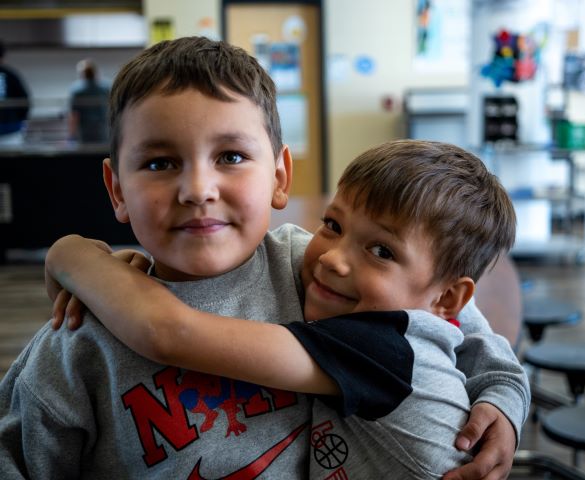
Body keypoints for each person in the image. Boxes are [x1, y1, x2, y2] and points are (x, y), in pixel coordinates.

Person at [0, 36, 526, 478]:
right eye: (160, 162)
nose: (198, 188)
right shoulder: (78, 338)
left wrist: (504, 394)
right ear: (117, 190)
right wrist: (74, 260)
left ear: (279, 176)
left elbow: (446, 317)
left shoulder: (313, 269)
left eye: (230, 156)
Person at [46, 139, 528, 479]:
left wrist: (70, 254)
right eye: (333, 225)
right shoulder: (402, 317)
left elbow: (170, 332)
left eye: (381, 252)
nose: (334, 259)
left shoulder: (384, 349)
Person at [68, 58, 110, 143]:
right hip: (102, 130)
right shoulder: (105, 88)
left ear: (82, 74)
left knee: (85, 154)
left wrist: (71, 135)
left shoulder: (77, 90)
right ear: (95, 73)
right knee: (101, 153)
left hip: (84, 132)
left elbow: (74, 116)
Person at [0, 40, 30, 145]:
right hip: (10, 130)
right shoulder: (11, 75)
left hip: (10, 129)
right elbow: (25, 101)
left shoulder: (11, 75)